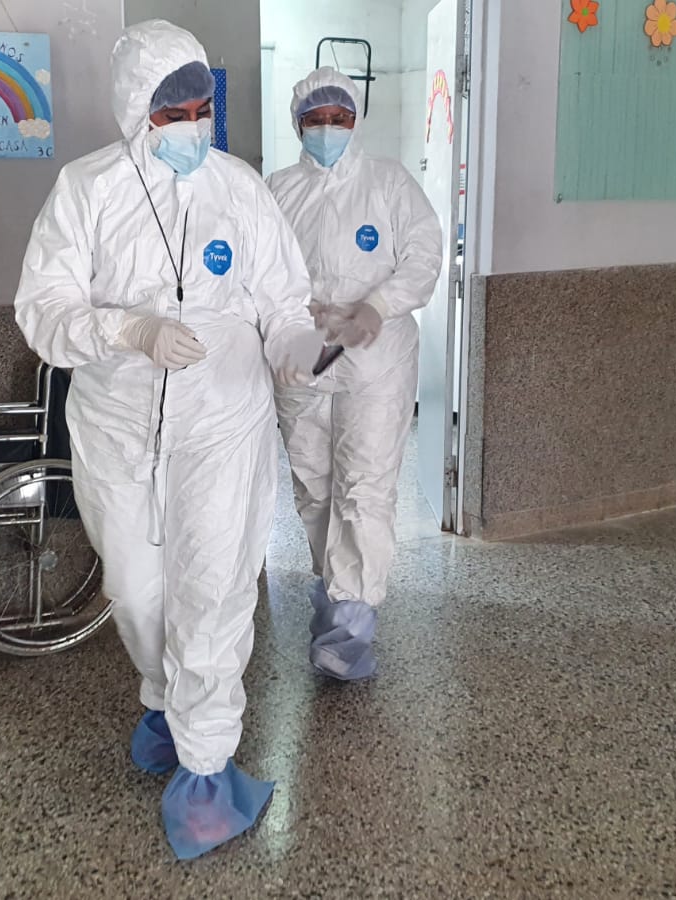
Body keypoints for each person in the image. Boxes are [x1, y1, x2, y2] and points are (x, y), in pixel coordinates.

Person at [13, 20, 324, 860]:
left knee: (213, 589)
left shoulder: (239, 188)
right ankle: (166, 701)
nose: (192, 125)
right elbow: (43, 311)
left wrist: (300, 348)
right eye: (172, 112)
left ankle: (207, 770)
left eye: (201, 109)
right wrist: (129, 330)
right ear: (133, 110)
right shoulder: (87, 190)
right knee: (137, 588)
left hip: (224, 418)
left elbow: (283, 301)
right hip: (117, 423)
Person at [267, 68, 443, 682]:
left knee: (364, 486)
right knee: (314, 485)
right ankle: (334, 588)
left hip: (375, 351)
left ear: (355, 121)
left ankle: (351, 620)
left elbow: (424, 253)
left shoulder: (388, 182)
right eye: (316, 119)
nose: (328, 128)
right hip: (304, 349)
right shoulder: (277, 190)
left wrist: (377, 305)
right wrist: (292, 316)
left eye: (338, 118)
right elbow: (258, 270)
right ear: (299, 125)